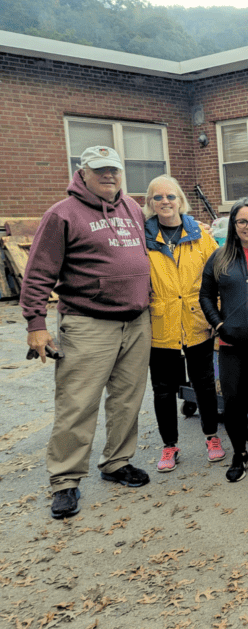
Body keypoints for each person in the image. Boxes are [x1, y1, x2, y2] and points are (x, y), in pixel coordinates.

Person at [20, 146, 152, 519]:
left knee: (127, 399)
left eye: (114, 170)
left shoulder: (132, 209)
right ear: (83, 173)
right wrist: (36, 323)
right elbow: (38, 273)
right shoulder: (61, 215)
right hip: (88, 323)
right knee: (77, 403)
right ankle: (65, 480)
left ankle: (116, 462)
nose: (109, 176)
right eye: (101, 170)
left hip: (137, 320)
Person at [143, 175, 224, 472]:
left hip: (196, 319)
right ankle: (169, 446)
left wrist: (217, 314)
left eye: (170, 196)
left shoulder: (200, 235)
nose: (165, 202)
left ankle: (212, 437)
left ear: (181, 200)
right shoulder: (144, 238)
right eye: (158, 197)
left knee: (203, 382)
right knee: (163, 388)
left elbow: (218, 273)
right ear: (150, 204)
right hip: (160, 322)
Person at [199, 198, 248, 483]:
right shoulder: (220, 257)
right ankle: (239, 453)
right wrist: (219, 325)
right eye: (242, 221)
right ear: (234, 226)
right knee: (233, 401)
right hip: (231, 344)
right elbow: (205, 296)